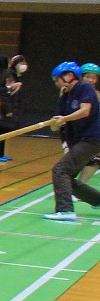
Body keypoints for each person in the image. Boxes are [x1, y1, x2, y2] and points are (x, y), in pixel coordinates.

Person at [44, 62, 100, 221]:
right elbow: (57, 124)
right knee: (66, 177)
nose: (56, 83)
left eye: (57, 79)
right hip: (78, 140)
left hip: (91, 138)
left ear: (69, 76)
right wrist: (54, 123)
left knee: (60, 170)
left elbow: (85, 110)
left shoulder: (84, 88)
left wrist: (65, 118)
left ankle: (65, 210)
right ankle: (97, 200)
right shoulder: (64, 97)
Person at [0, 55, 27, 162]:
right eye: (21, 63)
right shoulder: (9, 75)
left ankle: (0, 153)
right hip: (4, 109)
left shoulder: (17, 76)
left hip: (12, 107)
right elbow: (5, 94)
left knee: (4, 132)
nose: (23, 65)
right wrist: (7, 109)